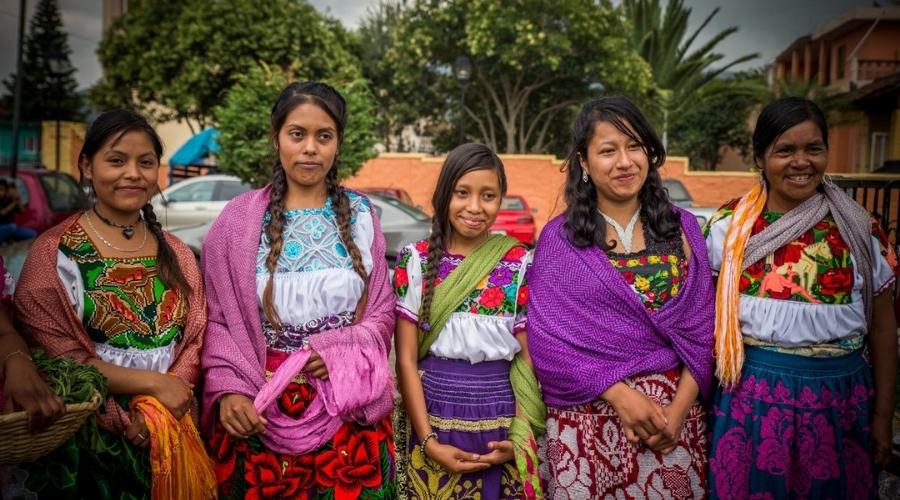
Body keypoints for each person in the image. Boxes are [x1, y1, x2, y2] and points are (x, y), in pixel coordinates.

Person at [201, 81, 396, 499]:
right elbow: (215, 318)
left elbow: (381, 310)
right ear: (276, 140)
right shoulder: (237, 221)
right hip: (259, 410)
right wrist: (229, 390)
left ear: (338, 144)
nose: (310, 148)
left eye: (323, 136)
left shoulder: (363, 215)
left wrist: (344, 352)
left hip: (347, 409)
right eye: (297, 134)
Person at [12, 109, 213, 498]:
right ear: (87, 166)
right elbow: (61, 358)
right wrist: (133, 412)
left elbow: (195, 337)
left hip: (170, 430)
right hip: (90, 438)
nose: (133, 174)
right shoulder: (54, 253)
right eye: (116, 160)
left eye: (146, 162)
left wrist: (161, 408)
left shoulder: (177, 253)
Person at [705, 97, 898, 499]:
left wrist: (882, 417)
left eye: (814, 149)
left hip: (840, 402)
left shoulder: (860, 230)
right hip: (749, 401)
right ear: (760, 158)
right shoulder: (728, 228)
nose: (801, 162)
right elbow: (704, 322)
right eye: (785, 150)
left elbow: (883, 327)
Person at [527, 96, 716, 498]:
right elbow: (547, 342)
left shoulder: (683, 228)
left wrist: (677, 415)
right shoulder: (559, 241)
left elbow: (703, 329)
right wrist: (620, 395)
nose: (625, 162)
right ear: (583, 160)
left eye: (635, 147)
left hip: (674, 423)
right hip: (590, 422)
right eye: (608, 150)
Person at [393, 143, 545, 500]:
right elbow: (405, 360)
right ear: (445, 195)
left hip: (500, 422)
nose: (475, 207)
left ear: (500, 199)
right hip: (432, 417)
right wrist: (428, 441)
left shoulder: (518, 263)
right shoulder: (416, 261)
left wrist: (520, 435)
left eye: (488, 196)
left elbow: (526, 359)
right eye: (463, 193)